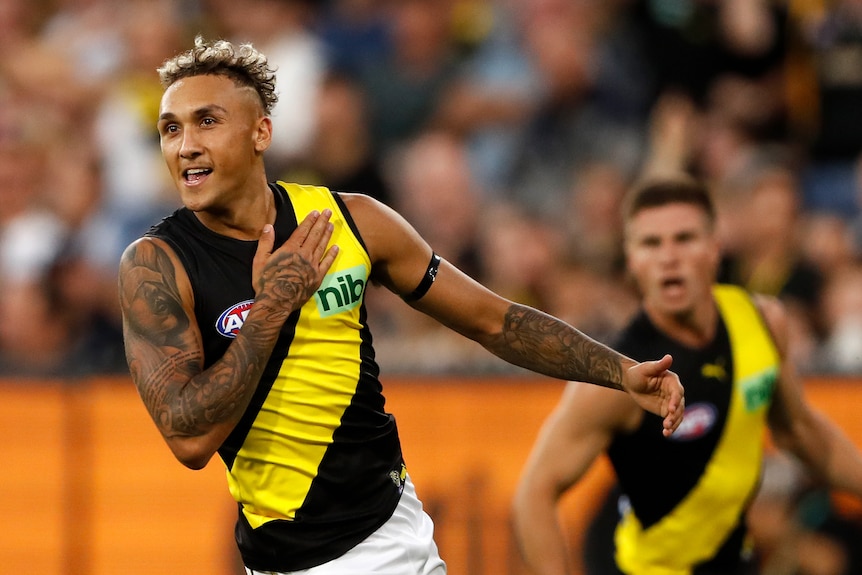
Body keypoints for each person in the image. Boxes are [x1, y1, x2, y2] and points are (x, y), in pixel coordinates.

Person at [117, 37, 684, 575]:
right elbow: (189, 441)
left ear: (261, 131)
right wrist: (273, 307)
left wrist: (620, 370)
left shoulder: (353, 221)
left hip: (390, 539)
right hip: (280, 557)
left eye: (207, 121)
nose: (185, 144)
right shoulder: (157, 265)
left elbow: (492, 319)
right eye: (170, 129)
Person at [512, 176, 862, 575]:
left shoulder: (763, 322)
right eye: (651, 243)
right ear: (631, 259)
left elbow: (802, 432)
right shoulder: (619, 373)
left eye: (684, 238)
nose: (668, 257)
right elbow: (534, 493)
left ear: (715, 247)